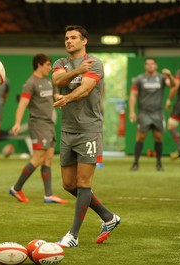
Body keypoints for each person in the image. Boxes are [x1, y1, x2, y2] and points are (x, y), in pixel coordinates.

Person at [52, 25, 120, 248]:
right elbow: (59, 81)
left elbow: (86, 90)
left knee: (83, 183)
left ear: (84, 41)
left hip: (89, 129)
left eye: (73, 38)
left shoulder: (95, 63)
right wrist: (78, 72)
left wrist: (67, 99)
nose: (69, 41)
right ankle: (109, 217)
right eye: (66, 38)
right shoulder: (60, 63)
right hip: (67, 130)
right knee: (68, 184)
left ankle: (73, 235)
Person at [9, 53, 68, 205]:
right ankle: (16, 188)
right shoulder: (30, 83)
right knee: (38, 159)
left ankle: (48, 195)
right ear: (39, 65)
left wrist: (61, 98)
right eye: (48, 65)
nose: (50, 67)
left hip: (49, 124)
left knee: (48, 159)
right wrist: (17, 123)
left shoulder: (49, 81)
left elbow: (55, 96)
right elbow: (22, 104)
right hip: (38, 124)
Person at [129, 57, 175, 171]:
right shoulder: (139, 79)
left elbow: (173, 85)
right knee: (140, 137)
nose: (150, 65)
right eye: (148, 64)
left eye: (152, 64)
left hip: (157, 112)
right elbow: (133, 95)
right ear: (145, 66)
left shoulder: (162, 78)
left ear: (156, 66)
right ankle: (135, 163)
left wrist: (169, 75)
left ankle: (159, 164)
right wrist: (131, 111)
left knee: (158, 137)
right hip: (144, 112)